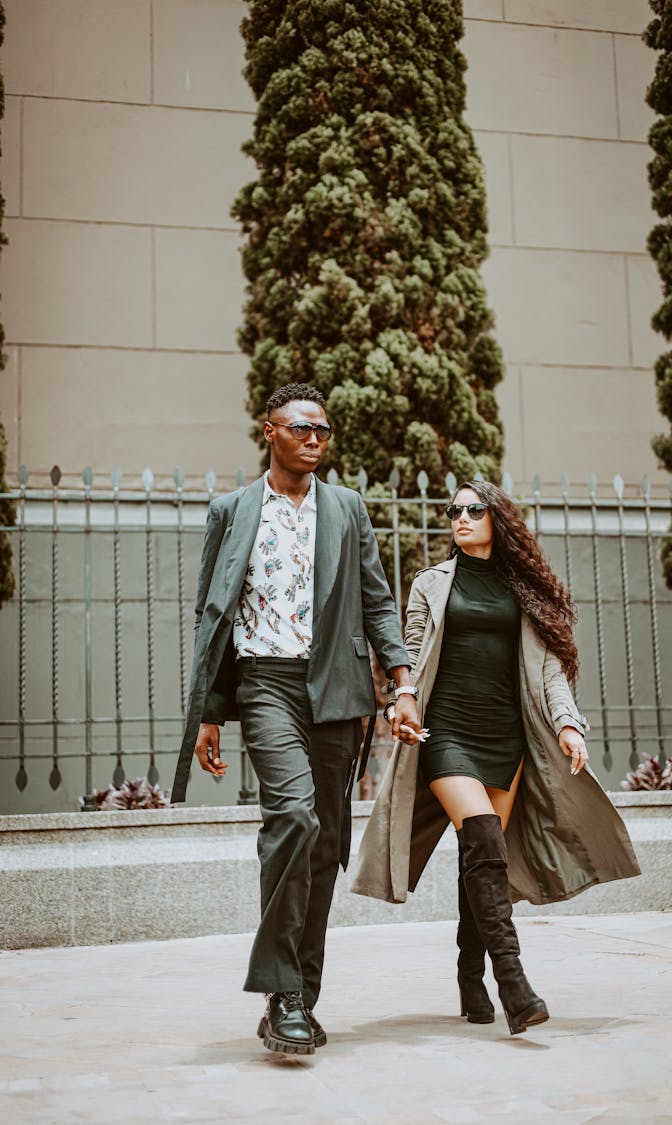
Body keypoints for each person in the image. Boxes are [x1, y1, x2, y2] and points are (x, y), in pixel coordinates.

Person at [171, 383, 419, 1056]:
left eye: (324, 430)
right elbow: (212, 613)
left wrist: (402, 684)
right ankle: (283, 994)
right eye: (302, 427)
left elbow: (378, 602)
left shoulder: (347, 509)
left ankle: (300, 995)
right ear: (268, 430)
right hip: (266, 685)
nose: (316, 438)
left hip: (336, 691)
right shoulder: (231, 511)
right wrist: (210, 712)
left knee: (325, 842)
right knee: (293, 817)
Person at [352, 480, 640, 1035]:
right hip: (447, 733)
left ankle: (469, 972)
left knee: (482, 858)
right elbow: (408, 656)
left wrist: (568, 726)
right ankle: (514, 982)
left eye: (472, 510)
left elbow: (551, 670)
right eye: (453, 510)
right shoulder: (431, 584)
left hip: (506, 738)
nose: (459, 518)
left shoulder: (526, 590)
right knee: (483, 834)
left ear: (497, 519)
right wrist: (398, 704)